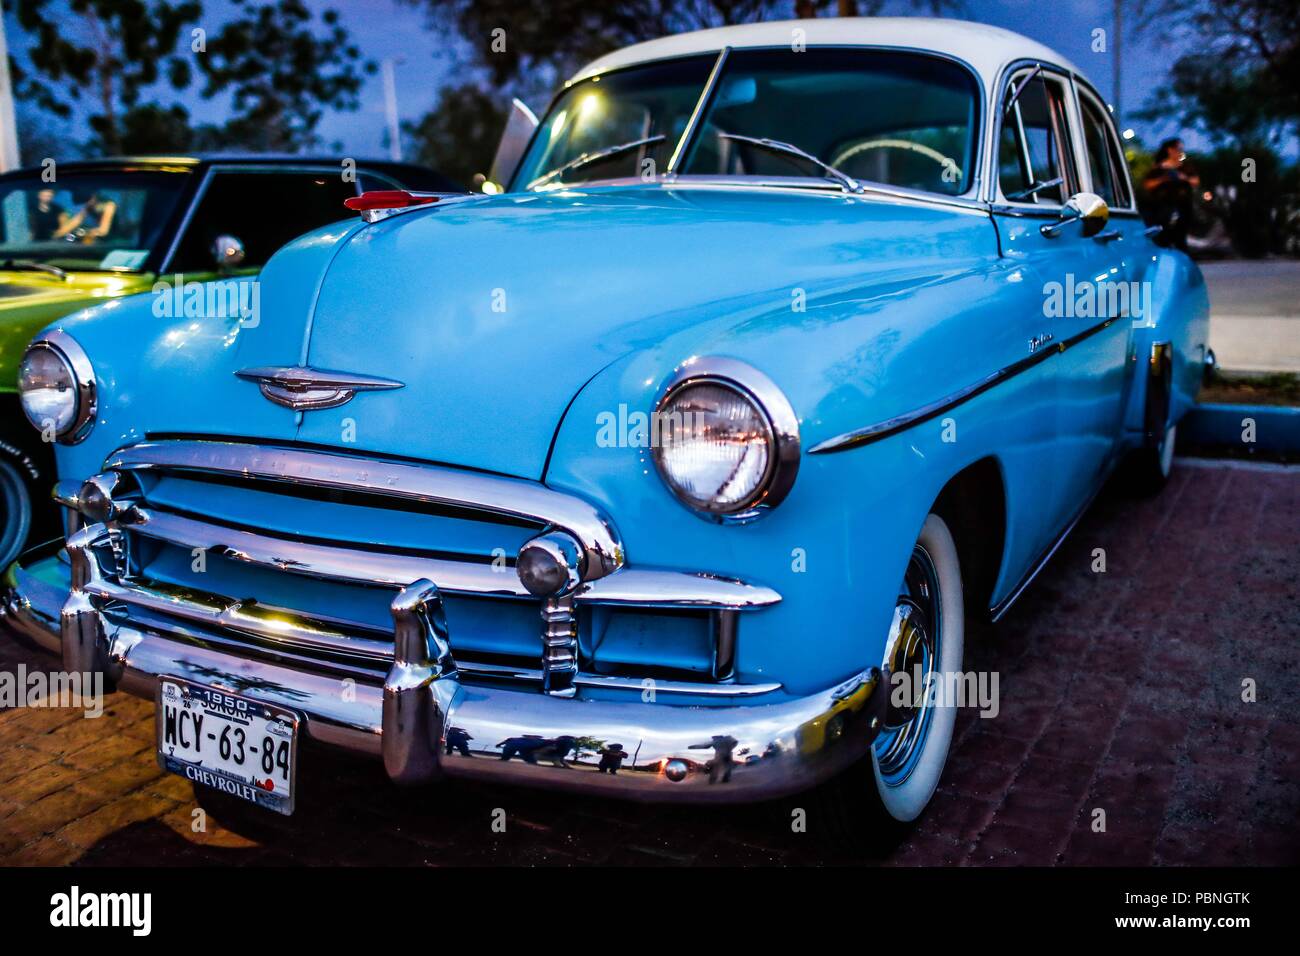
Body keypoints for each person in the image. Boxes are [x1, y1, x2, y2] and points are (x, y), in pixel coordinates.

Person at [1141, 138, 1199, 252]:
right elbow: (1148, 184)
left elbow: (1195, 181)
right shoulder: (1159, 168)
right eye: (1178, 149)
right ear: (1170, 150)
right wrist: (1164, 179)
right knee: (1164, 231)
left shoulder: (1185, 167)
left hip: (1183, 204)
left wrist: (1183, 178)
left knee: (1181, 232)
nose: (1180, 152)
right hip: (1163, 205)